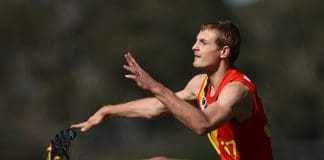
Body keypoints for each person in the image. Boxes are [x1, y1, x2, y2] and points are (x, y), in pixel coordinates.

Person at [71, 20, 273, 160]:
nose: (194, 47)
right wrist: (108, 110)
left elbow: (202, 125)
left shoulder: (237, 90)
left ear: (224, 51)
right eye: (196, 41)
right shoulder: (199, 84)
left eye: (203, 42)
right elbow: (155, 107)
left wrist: (155, 87)